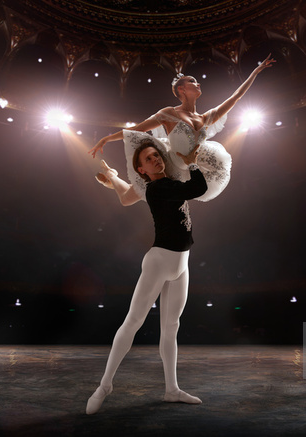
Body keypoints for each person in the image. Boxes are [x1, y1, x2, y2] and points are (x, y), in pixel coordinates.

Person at [86, 140, 207, 415]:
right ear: (142, 170)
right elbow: (198, 187)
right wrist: (191, 161)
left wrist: (114, 178)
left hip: (181, 263)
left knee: (171, 327)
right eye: (148, 159)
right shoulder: (159, 188)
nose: (155, 160)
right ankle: (104, 385)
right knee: (133, 321)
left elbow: (129, 194)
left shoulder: (168, 181)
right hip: (159, 261)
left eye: (156, 155)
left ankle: (171, 390)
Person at [88, 54, 275, 202]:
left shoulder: (205, 117)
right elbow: (137, 129)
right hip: (170, 164)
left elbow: (236, 97)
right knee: (128, 199)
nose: (198, 83)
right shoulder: (169, 114)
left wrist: (256, 71)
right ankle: (113, 178)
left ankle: (113, 179)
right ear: (181, 90)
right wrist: (106, 139)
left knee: (132, 196)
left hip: (193, 166)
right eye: (192, 81)